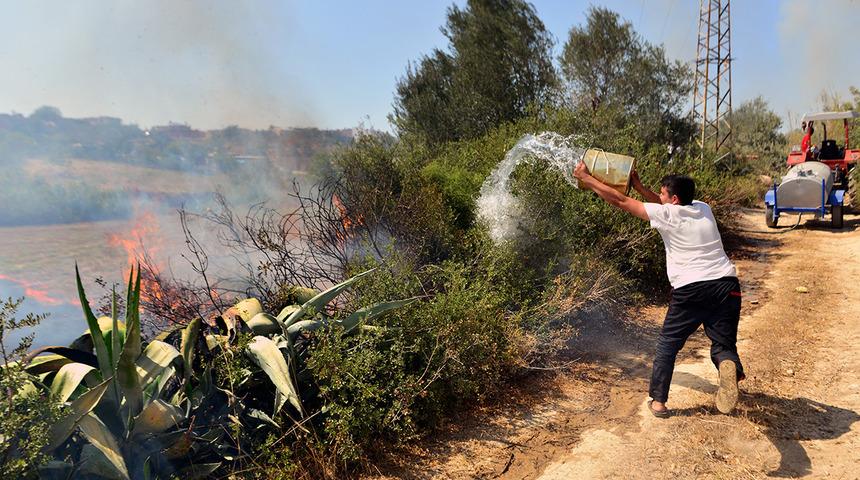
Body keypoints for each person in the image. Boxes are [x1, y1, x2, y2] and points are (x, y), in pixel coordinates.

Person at [572, 163, 744, 418]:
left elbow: (620, 200)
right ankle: (727, 364)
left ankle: (659, 402)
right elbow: (661, 205)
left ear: (673, 199)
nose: (659, 198)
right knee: (723, 344)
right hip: (726, 285)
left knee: (667, 346)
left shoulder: (668, 215)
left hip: (690, 289)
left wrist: (586, 178)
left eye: (663, 194)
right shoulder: (703, 209)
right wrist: (641, 187)